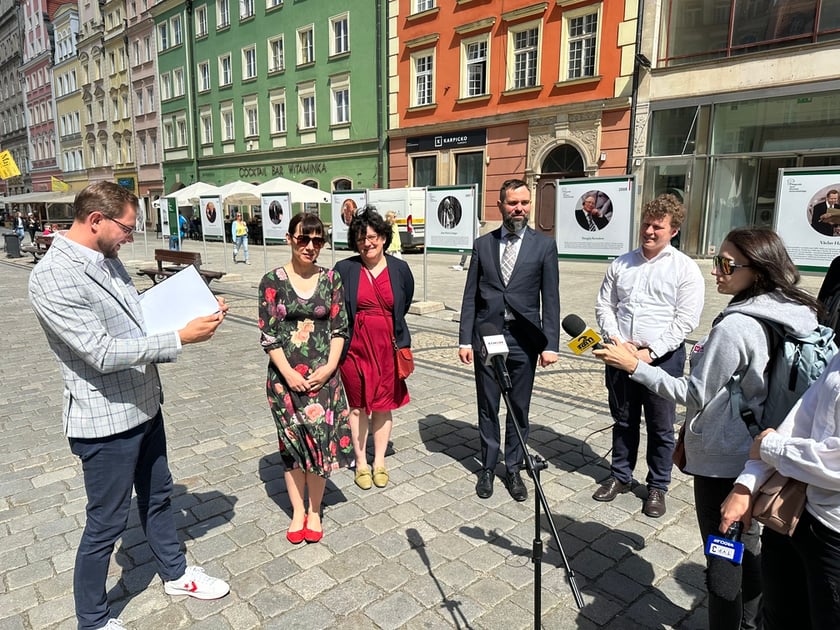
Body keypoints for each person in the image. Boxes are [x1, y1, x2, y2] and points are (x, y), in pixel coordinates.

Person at [595, 227, 823, 629]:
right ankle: (752, 621)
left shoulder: (737, 327)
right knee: (748, 548)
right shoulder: (793, 308)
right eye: (716, 260)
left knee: (722, 556)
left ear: (756, 269)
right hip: (764, 451)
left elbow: (693, 393)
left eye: (725, 264)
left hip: (726, 462)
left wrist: (634, 367)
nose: (715, 270)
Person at [28, 181, 230, 630]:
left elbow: (138, 318)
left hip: (145, 404)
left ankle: (175, 574)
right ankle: (93, 620)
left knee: (158, 497)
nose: (131, 237)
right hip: (104, 421)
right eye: (127, 227)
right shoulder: (53, 275)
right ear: (95, 220)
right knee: (106, 525)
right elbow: (99, 351)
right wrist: (180, 337)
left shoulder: (109, 258)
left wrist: (194, 310)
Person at [592, 193, 704, 518]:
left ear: (673, 231)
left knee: (661, 426)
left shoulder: (685, 269)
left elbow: (685, 320)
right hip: (621, 353)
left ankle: (657, 486)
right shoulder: (621, 263)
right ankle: (620, 476)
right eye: (646, 224)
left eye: (658, 226)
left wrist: (649, 352)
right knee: (623, 419)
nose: (649, 231)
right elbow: (605, 305)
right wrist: (617, 340)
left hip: (663, 359)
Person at [458, 178, 560, 502]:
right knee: (488, 405)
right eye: (513, 203)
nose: (519, 209)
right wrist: (464, 339)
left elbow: (551, 298)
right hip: (488, 337)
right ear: (500, 205)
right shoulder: (482, 245)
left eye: (525, 203)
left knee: (518, 407)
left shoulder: (544, 246)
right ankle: (488, 466)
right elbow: (471, 297)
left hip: (524, 340)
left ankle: (513, 467)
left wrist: (551, 344)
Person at [722, 356, 840, 630]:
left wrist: (772, 448)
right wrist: (747, 483)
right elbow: (802, 417)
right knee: (778, 618)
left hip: (835, 537)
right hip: (794, 512)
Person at [258, 212, 353, 544]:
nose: (310, 246)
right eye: (303, 239)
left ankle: (315, 510)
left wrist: (329, 368)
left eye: (317, 240)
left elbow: (340, 328)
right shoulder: (272, 281)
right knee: (293, 446)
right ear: (289, 238)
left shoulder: (331, 279)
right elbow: (268, 335)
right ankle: (297, 511)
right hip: (285, 381)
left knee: (320, 444)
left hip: (323, 380)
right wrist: (288, 374)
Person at [335, 206, 414, 490]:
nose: (367, 243)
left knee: (382, 407)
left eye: (372, 237)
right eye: (360, 239)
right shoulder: (345, 269)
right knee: (357, 407)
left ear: (383, 236)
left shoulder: (400, 268)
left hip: (387, 349)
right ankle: (361, 461)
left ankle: (379, 460)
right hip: (354, 349)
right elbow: (337, 309)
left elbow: (404, 303)